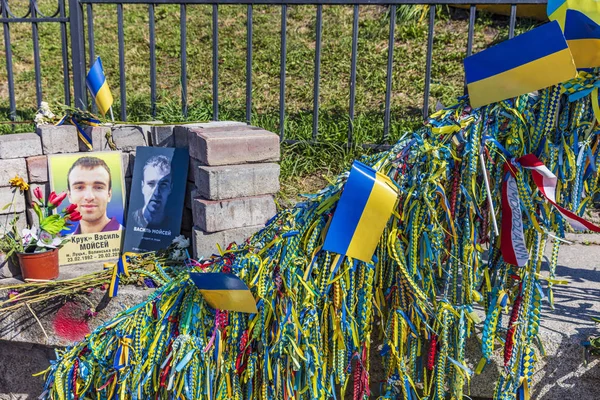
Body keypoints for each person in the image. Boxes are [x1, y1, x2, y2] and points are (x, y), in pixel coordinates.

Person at [67, 157, 123, 234]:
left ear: (109, 194)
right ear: (69, 195)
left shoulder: (129, 239)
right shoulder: (63, 244)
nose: (89, 197)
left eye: (98, 187)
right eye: (79, 187)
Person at [132, 155, 172, 228]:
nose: (156, 193)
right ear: (142, 187)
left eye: (163, 185)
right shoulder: (130, 221)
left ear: (170, 188)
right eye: (151, 184)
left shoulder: (174, 225)